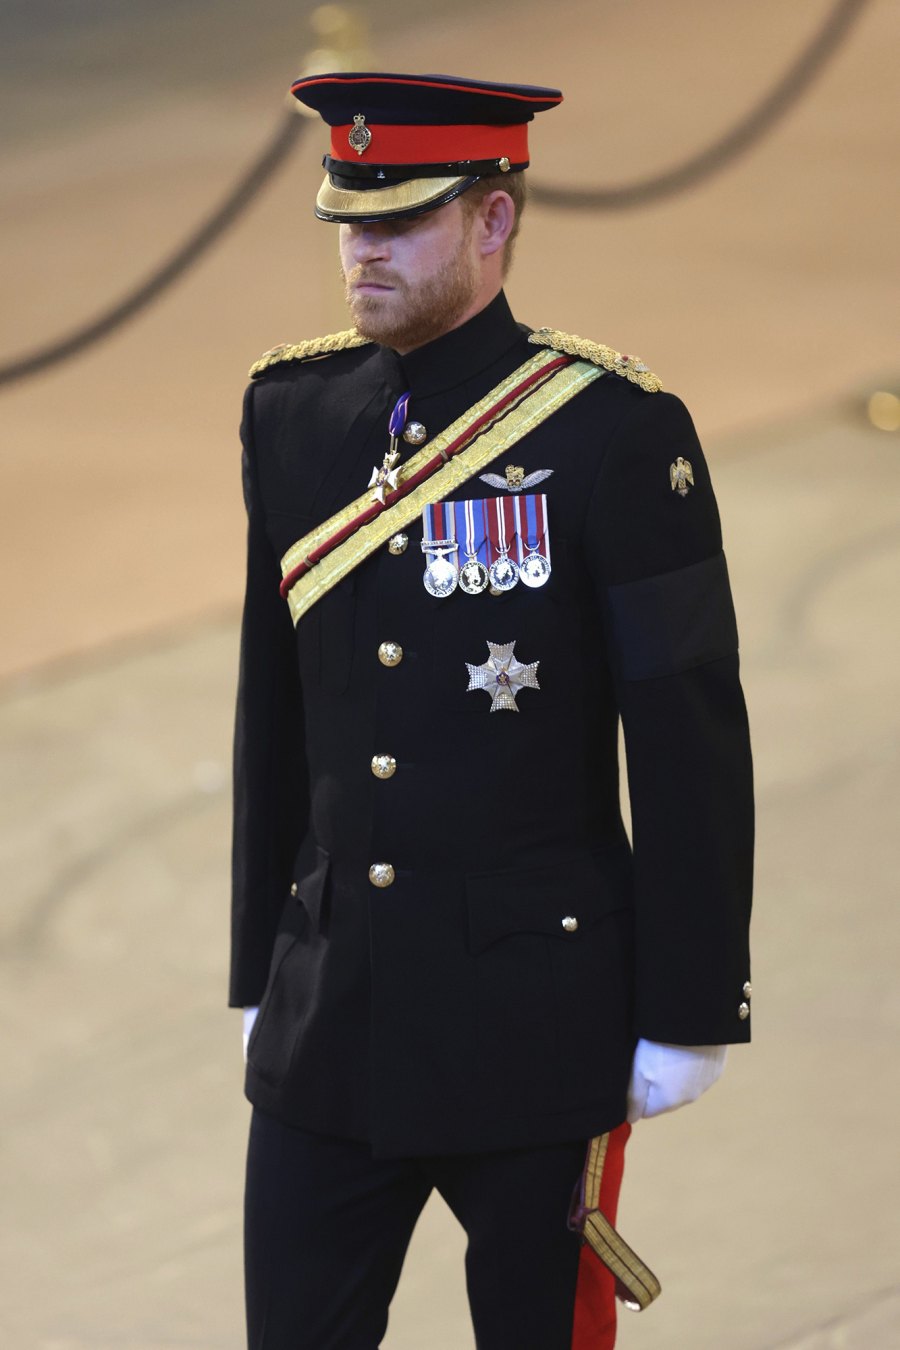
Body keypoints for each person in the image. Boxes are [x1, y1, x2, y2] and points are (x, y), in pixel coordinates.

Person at [230, 71, 753, 1350]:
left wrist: (690, 1007)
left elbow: (688, 737)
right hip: (331, 1013)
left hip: (539, 1019)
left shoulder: (616, 436)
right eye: (348, 222)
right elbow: (273, 710)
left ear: (494, 218)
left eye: (398, 221)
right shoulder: (293, 416)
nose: (362, 253)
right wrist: (259, 961)